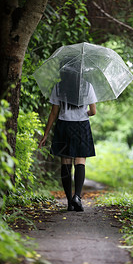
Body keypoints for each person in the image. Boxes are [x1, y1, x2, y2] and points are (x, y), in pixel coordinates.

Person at [39, 83, 97, 212]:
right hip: (82, 125)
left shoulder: (59, 87)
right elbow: (93, 111)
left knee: (65, 162)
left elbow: (54, 113)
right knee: (80, 160)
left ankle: (70, 202)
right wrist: (84, 112)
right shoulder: (87, 86)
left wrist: (45, 134)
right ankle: (77, 196)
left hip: (64, 125)